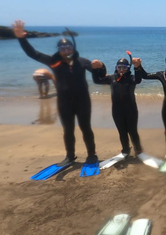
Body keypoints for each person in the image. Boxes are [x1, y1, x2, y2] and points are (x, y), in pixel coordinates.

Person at [12, 20, 98, 170]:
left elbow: (99, 76)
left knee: (86, 128)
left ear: (72, 47)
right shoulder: (53, 62)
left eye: (68, 46)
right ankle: (70, 156)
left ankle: (91, 154)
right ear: (58, 50)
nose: (65, 49)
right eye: (62, 47)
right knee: (68, 130)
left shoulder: (82, 62)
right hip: (64, 103)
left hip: (83, 102)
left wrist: (100, 67)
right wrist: (21, 38)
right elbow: (33, 53)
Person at [91, 54, 143, 157]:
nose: (122, 70)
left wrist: (137, 67)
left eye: (124, 68)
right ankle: (125, 149)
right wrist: (97, 68)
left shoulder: (132, 78)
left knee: (133, 132)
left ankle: (138, 149)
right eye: (119, 67)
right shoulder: (111, 78)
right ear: (116, 68)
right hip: (117, 111)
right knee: (122, 132)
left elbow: (139, 79)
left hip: (131, 110)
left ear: (128, 69)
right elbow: (97, 80)